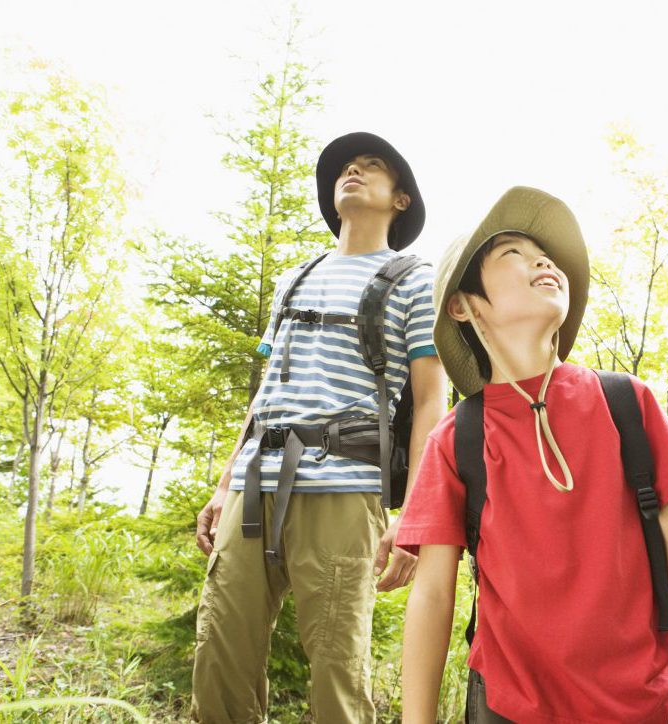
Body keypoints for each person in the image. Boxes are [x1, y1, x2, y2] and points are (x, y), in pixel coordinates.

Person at [397, 186, 668, 723]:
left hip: (645, 703)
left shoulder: (625, 401)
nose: (542, 260)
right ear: (463, 304)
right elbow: (433, 592)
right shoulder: (458, 438)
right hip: (511, 705)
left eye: (544, 254)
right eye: (512, 254)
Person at [191, 132, 448, 724]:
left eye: (371, 167)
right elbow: (268, 391)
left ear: (400, 200)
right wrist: (226, 480)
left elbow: (432, 400)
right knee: (220, 652)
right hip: (256, 486)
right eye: (345, 169)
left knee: (338, 666)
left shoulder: (415, 279)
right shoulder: (294, 279)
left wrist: (415, 513)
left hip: (344, 487)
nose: (352, 172)